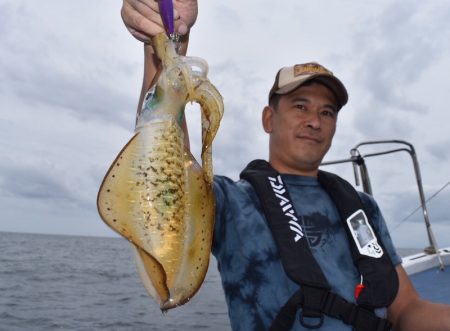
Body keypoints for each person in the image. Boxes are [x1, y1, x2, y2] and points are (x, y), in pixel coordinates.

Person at [120, 1, 450, 330]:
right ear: (269, 118)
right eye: (300, 106)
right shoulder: (232, 202)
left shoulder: (362, 207)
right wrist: (163, 44)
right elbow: (165, 167)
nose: (315, 122)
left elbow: (407, 310)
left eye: (327, 112)